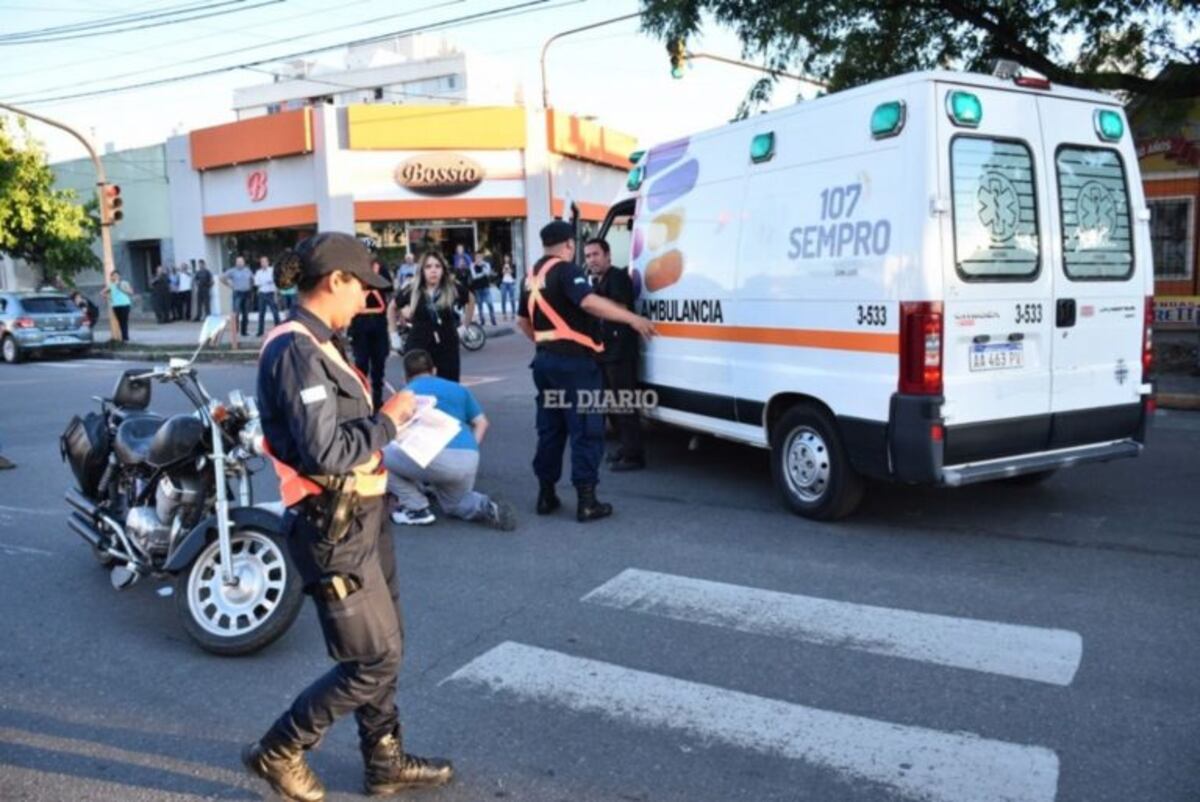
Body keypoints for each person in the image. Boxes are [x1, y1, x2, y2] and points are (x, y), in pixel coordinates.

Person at [246, 231, 453, 801]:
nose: (367, 298)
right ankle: (280, 748)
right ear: (335, 280)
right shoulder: (294, 349)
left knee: (388, 646)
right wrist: (389, 418)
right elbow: (324, 451)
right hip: (331, 525)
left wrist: (391, 418)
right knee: (371, 659)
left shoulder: (322, 342)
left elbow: (337, 435)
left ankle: (383, 760)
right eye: (362, 286)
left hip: (364, 512)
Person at [516, 221, 656, 522]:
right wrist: (632, 318)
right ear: (569, 245)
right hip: (575, 367)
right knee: (586, 429)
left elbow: (522, 322)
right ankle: (587, 502)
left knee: (551, 428)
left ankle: (546, 495)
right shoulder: (567, 270)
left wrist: (547, 344)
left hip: (545, 363)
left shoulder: (530, 277)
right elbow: (590, 303)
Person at [382, 349, 516, 530]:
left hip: (431, 458)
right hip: (468, 456)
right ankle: (487, 506)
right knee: (456, 503)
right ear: (434, 370)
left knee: (378, 456)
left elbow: (391, 431)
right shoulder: (459, 389)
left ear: (405, 377)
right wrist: (469, 449)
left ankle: (416, 507)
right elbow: (482, 423)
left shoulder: (405, 395)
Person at [585, 238, 645, 471]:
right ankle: (626, 448)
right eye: (588, 256)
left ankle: (634, 456)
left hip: (620, 354)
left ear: (608, 255)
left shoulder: (618, 277)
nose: (592, 260)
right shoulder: (598, 281)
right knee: (613, 406)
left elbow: (621, 309)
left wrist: (593, 302)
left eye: (596, 254)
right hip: (605, 353)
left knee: (624, 405)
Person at [392, 251, 474, 383]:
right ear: (422, 270)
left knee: (448, 387)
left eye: (437, 266)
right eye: (428, 267)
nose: (433, 270)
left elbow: (470, 300)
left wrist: (465, 326)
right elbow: (392, 307)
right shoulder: (412, 288)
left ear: (443, 269)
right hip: (419, 344)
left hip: (447, 344)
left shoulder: (451, 287)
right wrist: (393, 334)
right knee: (420, 389)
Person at [349, 258, 393, 410]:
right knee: (361, 365)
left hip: (377, 323)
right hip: (360, 324)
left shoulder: (381, 268)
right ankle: (362, 401)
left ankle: (376, 400)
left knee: (378, 364)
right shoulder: (353, 270)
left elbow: (389, 287)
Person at [221, 256, 254, 337]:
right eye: (238, 262)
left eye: (241, 261)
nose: (240, 263)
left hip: (247, 294)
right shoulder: (232, 271)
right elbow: (222, 278)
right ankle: (236, 331)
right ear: (236, 263)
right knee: (236, 313)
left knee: (246, 314)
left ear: (244, 262)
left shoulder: (248, 270)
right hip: (237, 294)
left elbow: (252, 279)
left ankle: (244, 332)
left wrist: (250, 287)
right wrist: (229, 285)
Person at [254, 255, 281, 337]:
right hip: (262, 294)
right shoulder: (258, 272)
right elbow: (256, 283)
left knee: (275, 313)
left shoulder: (272, 271)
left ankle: (278, 330)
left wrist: (266, 282)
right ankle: (260, 331)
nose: (263, 263)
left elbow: (275, 281)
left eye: (265, 261)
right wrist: (268, 281)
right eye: (262, 262)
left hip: (271, 293)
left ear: (268, 262)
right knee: (261, 314)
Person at [469, 252, 497, 327]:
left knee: (490, 304)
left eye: (479, 257)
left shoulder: (486, 264)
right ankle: (482, 321)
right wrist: (482, 273)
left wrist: (481, 273)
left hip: (486, 287)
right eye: (477, 257)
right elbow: (474, 276)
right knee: (480, 306)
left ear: (482, 258)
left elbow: (487, 273)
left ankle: (493, 320)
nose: (478, 259)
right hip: (477, 288)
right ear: (475, 258)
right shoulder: (472, 265)